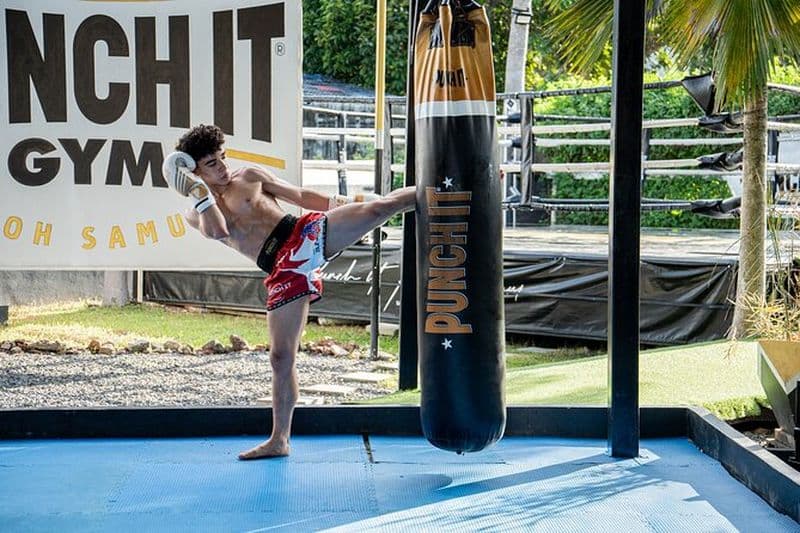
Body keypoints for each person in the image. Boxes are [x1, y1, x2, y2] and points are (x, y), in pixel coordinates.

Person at [163, 124, 415, 460]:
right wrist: (198, 192)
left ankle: (448, 187)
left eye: (222, 158)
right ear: (192, 170)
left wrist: (338, 204)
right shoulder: (196, 212)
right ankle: (279, 440)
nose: (223, 167)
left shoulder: (249, 176)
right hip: (281, 267)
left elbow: (298, 195)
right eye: (212, 164)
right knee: (281, 358)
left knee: (377, 208)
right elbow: (219, 230)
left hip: (302, 233)